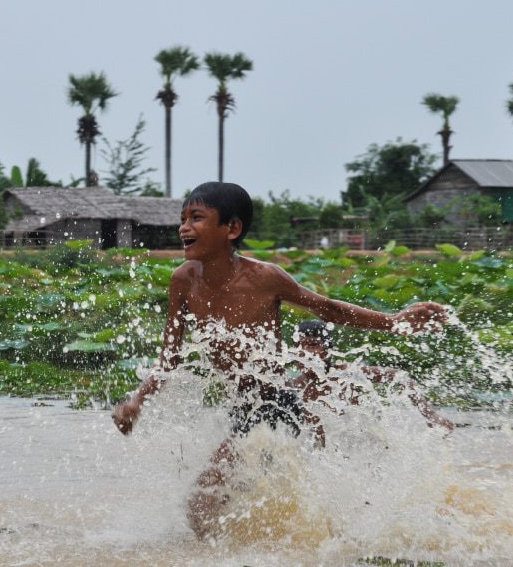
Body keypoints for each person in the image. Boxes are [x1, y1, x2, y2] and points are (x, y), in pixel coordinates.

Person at [111, 182, 446, 538]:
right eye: (182, 219)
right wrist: (137, 401)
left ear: (232, 229)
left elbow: (328, 309)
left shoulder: (265, 278)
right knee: (250, 498)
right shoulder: (183, 281)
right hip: (240, 408)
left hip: (274, 404)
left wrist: (393, 323)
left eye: (196, 218)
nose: (184, 227)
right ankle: (269, 556)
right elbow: (169, 359)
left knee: (201, 502)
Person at [290, 319, 454, 431]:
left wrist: (430, 415)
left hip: (362, 442)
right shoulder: (293, 388)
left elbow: (401, 377)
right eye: (299, 346)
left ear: (328, 350)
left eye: (313, 345)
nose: (305, 352)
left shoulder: (347, 374)